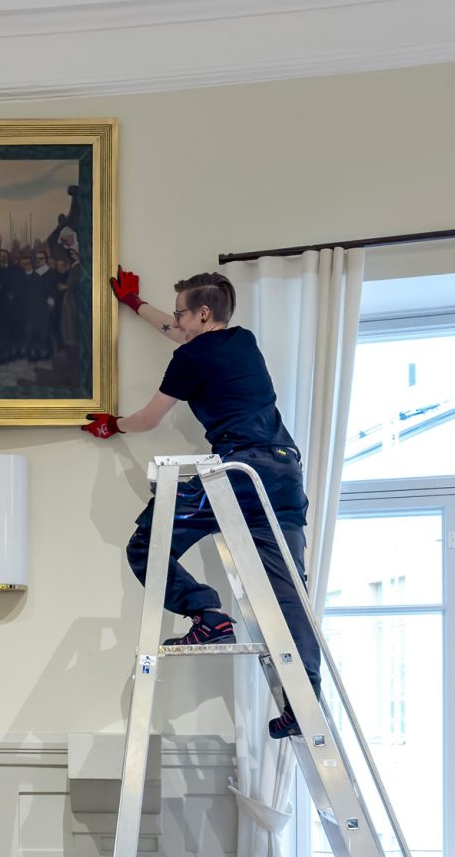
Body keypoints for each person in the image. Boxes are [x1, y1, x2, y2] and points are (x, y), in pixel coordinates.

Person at [85, 270, 316, 739]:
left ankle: (207, 614)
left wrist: (115, 425)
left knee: (145, 544)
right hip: (284, 473)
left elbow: (149, 418)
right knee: (286, 589)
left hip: (238, 476)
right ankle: (305, 701)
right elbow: (175, 332)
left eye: (180, 312)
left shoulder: (190, 358)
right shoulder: (242, 341)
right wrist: (135, 304)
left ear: (202, 313)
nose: (176, 321)